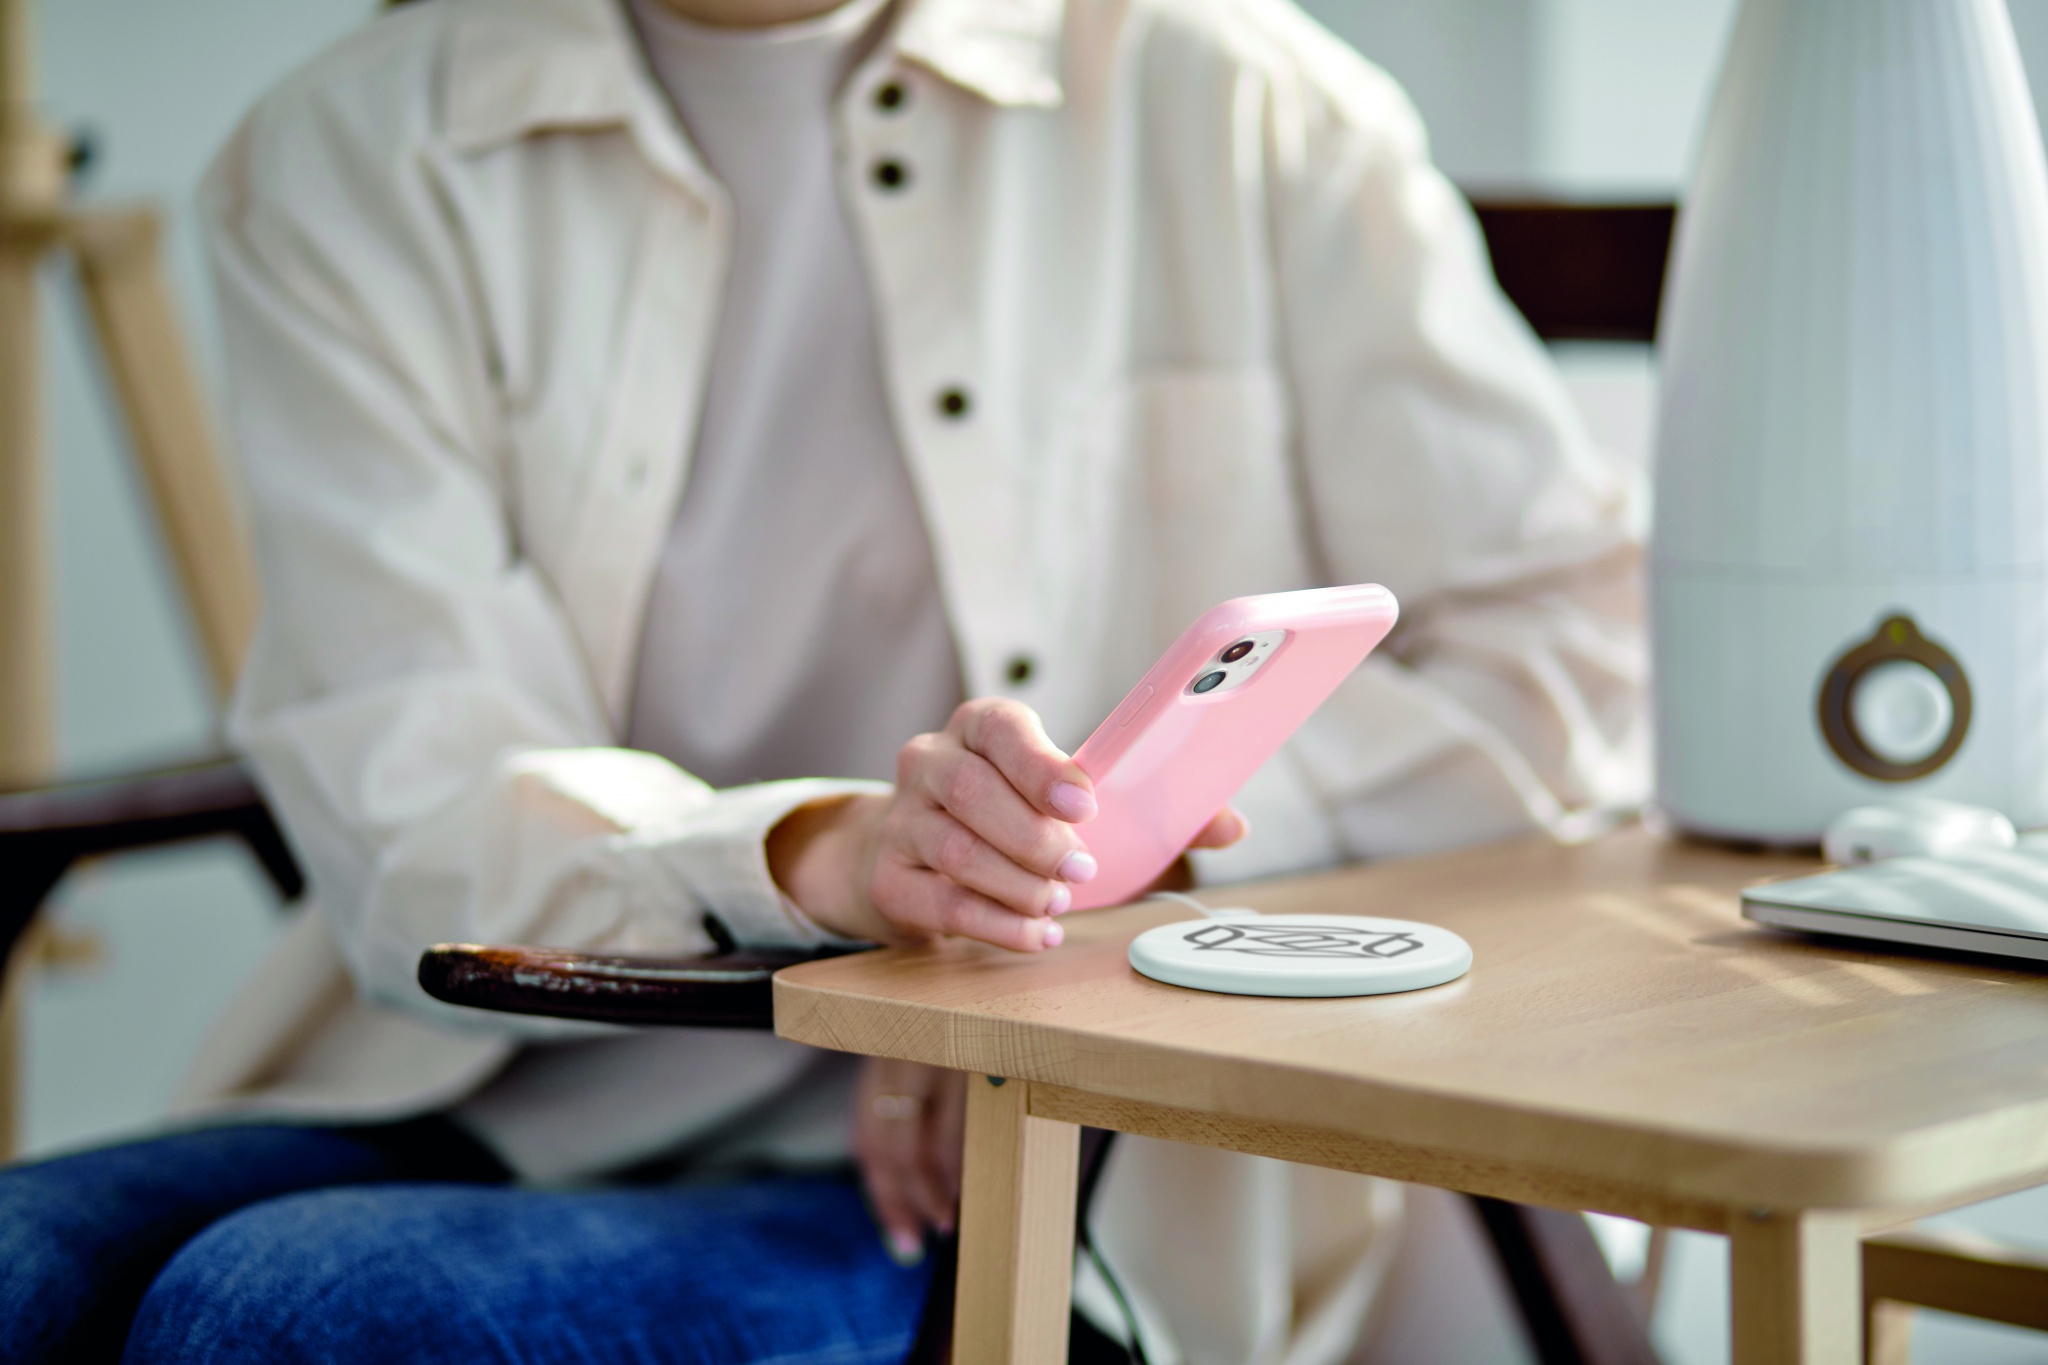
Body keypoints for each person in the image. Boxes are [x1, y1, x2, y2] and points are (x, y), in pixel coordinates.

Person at [0, 0, 1643, 1356]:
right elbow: (411, 776)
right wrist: (828, 857)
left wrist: (1062, 901)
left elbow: (1571, 644)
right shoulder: (351, 154)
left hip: (1025, 1149)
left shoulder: (1234, 96)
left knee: (285, 1314)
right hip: (504, 1066)